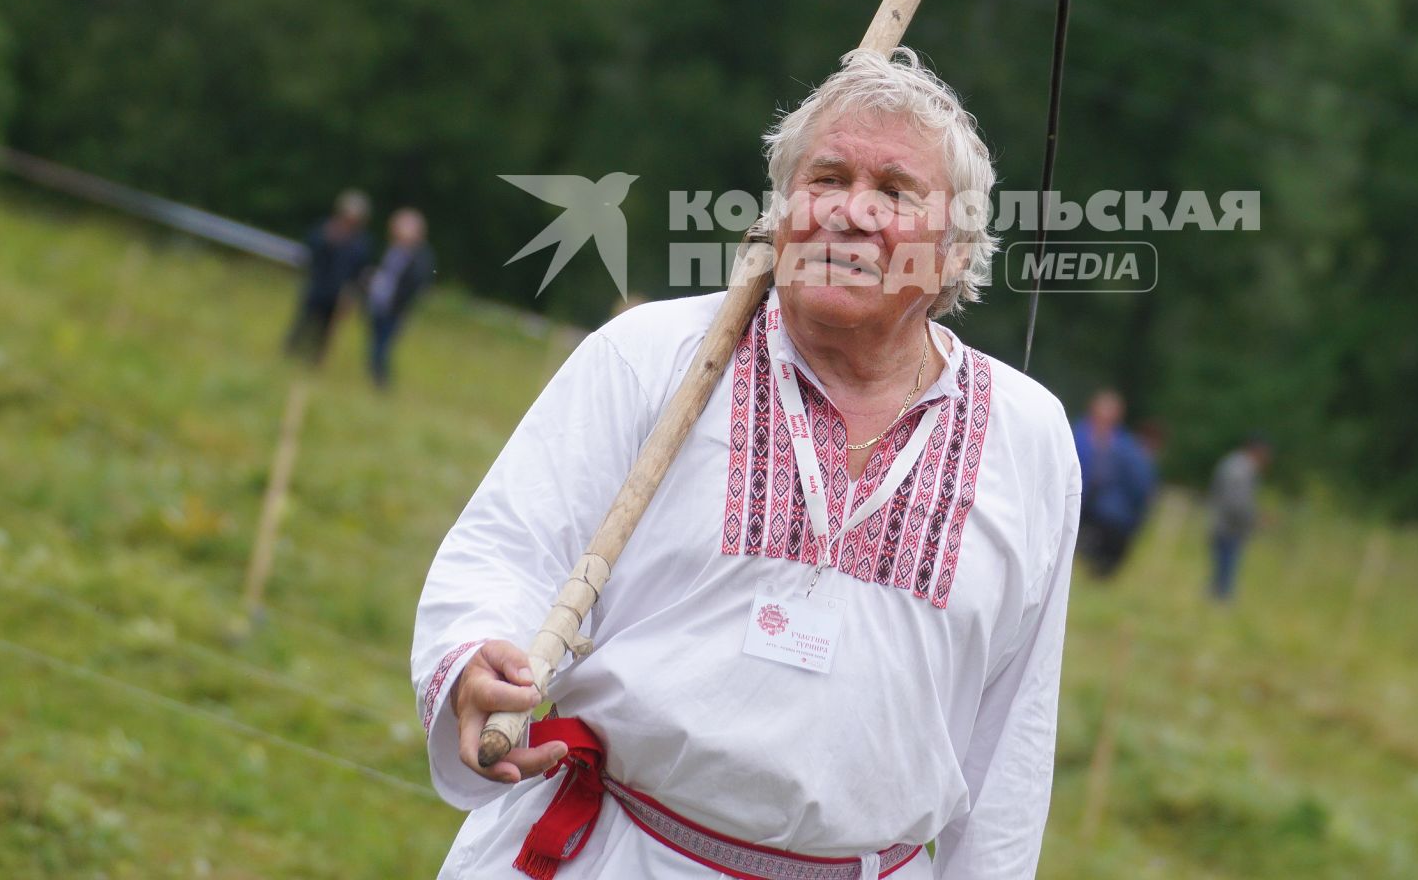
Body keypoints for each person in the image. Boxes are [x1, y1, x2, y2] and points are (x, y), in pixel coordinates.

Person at [413, 48, 1080, 878]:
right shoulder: (654, 356)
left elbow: (1013, 734)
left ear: (952, 254)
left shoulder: (1030, 438)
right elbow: (506, 549)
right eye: (827, 178)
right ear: (778, 215)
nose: (850, 212)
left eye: (895, 193)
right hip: (608, 853)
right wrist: (479, 656)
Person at [1071, 389, 1156, 578]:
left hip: (1107, 518)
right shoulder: (1072, 436)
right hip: (1072, 507)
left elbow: (1140, 485)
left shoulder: (1127, 447)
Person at [282, 189, 371, 364]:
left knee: (325, 331)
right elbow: (310, 252)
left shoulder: (361, 242)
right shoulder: (326, 229)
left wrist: (353, 295)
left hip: (338, 293)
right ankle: (289, 353)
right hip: (317, 286)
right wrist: (326, 240)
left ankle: (314, 360)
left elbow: (359, 271)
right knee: (303, 322)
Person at [365, 207, 434, 388]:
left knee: (382, 348)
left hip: (396, 309)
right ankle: (375, 378)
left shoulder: (419, 256)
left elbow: (416, 284)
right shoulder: (393, 249)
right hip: (378, 303)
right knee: (374, 344)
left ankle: (381, 383)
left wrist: (399, 303)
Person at [1208, 436, 1272, 601]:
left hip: (1220, 523)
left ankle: (1212, 605)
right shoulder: (1242, 470)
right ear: (1258, 451)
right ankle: (1218, 607)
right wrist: (1255, 519)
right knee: (1224, 577)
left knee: (1219, 572)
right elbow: (1237, 504)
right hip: (1229, 528)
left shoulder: (1231, 464)